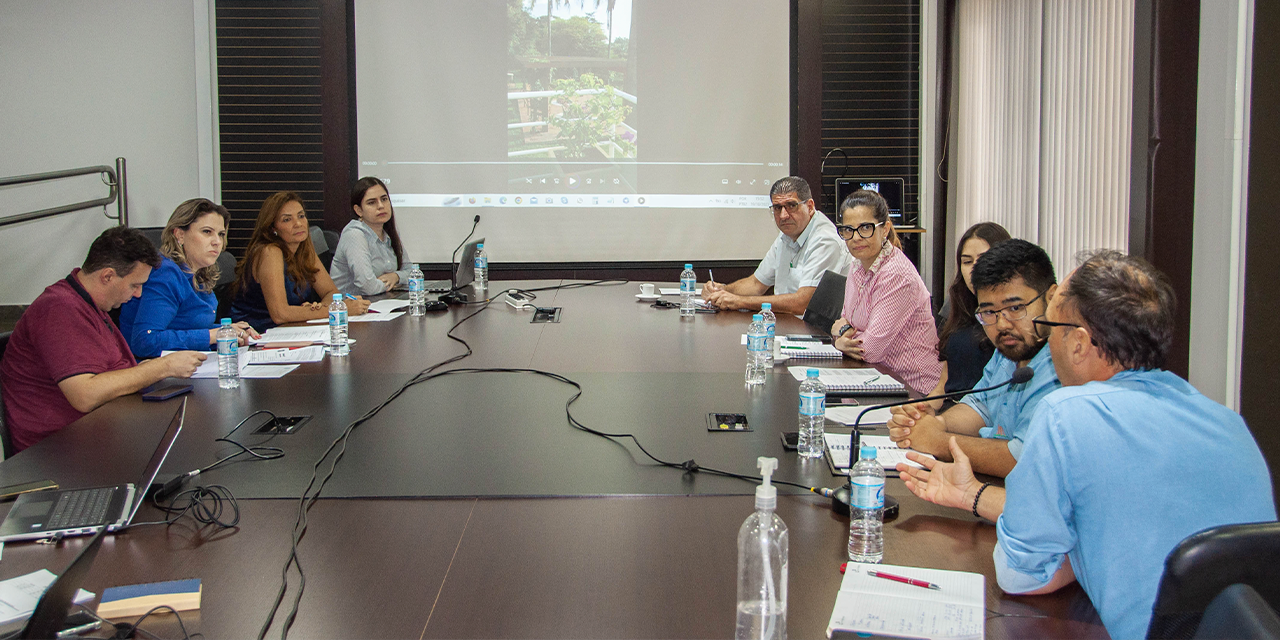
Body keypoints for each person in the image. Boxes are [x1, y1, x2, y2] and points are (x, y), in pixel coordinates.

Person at [895, 250, 1276, 640]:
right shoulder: (1227, 422)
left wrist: (1074, 545)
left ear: (1077, 343)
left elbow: (1021, 575)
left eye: (1052, 325)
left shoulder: (1064, 414)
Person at [0, 227, 206, 452]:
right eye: (134, 285)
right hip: (59, 451)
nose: (137, 294)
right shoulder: (59, 309)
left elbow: (108, 371)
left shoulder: (89, 304)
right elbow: (85, 395)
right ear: (107, 276)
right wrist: (161, 367)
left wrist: (147, 368)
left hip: (97, 431)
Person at [886, 239, 1061, 477]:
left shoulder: (1064, 365)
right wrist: (937, 423)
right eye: (989, 312)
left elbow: (1022, 457)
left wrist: (937, 441)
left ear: (1051, 298)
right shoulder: (1011, 349)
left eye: (1016, 308)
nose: (1002, 324)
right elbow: (980, 405)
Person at [828, 190, 940, 396]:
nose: (856, 238)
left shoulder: (896, 274)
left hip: (913, 388)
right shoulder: (857, 265)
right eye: (848, 230)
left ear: (885, 228)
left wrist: (842, 338)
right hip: (875, 377)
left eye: (865, 228)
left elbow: (869, 349)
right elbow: (844, 320)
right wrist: (843, 333)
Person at [118, 198, 259, 358]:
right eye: (207, 232)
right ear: (180, 235)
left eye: (221, 234)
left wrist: (228, 329)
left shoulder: (200, 273)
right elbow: (145, 340)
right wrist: (213, 335)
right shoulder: (165, 273)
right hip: (153, 372)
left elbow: (187, 325)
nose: (217, 242)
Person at [701, 176, 851, 315]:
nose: (783, 215)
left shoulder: (825, 241)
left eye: (791, 205)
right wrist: (722, 290)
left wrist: (739, 301)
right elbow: (756, 284)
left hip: (816, 334)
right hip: (787, 324)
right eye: (777, 208)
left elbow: (802, 303)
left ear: (810, 206)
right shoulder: (786, 236)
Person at [229, 191, 370, 330]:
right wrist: (339, 310)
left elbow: (330, 292)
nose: (298, 223)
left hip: (291, 330)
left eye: (301, 216)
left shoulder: (303, 248)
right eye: (287, 219)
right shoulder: (269, 252)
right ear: (273, 228)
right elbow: (280, 314)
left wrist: (319, 307)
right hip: (257, 335)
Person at [928, 222, 1012, 403]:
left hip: (980, 419)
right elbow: (943, 384)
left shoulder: (1011, 320)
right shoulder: (959, 307)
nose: (974, 269)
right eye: (967, 262)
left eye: (983, 259)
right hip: (949, 410)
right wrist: (920, 411)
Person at [330, 177, 412, 296]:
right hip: (350, 310)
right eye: (371, 202)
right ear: (359, 210)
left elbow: (411, 271)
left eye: (384, 199)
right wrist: (390, 284)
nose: (381, 206)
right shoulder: (354, 235)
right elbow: (368, 286)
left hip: (379, 303)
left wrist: (396, 276)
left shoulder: (388, 232)